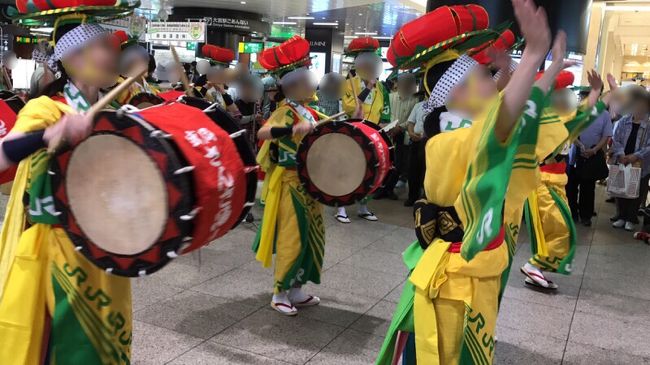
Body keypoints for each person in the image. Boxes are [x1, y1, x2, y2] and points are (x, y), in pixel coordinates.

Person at [376, 1, 561, 363]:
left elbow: (500, 108)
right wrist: (534, 55)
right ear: (457, 94)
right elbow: (501, 121)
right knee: (447, 354)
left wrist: (537, 68)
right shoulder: (448, 142)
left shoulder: (463, 127)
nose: (492, 83)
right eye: (482, 78)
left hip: (475, 268)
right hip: (454, 278)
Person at [0, 3, 135, 363]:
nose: (113, 54)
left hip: (104, 246)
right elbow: (1, 156)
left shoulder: (117, 110)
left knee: (103, 346)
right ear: (73, 57)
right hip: (57, 252)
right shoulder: (46, 108)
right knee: (62, 347)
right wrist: (50, 134)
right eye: (103, 46)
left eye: (111, 46)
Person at [253, 36, 325, 316]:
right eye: (306, 80)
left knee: (311, 237)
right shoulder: (286, 112)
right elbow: (262, 133)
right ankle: (280, 291)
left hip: (310, 184)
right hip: (291, 184)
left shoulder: (307, 110)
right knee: (292, 238)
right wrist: (289, 131)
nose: (311, 85)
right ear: (292, 85)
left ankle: (297, 288)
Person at [521, 70, 605, 290]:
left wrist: (598, 92)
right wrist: (597, 92)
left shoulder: (557, 118)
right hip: (541, 181)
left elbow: (583, 113)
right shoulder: (542, 119)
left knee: (559, 227)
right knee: (559, 227)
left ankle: (536, 267)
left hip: (557, 180)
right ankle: (534, 265)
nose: (568, 96)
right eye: (563, 92)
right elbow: (582, 113)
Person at [341, 36, 391, 221]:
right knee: (348, 170)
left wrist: (385, 127)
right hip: (352, 134)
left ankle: (363, 206)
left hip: (372, 135)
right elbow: (351, 109)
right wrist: (368, 88)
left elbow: (385, 111)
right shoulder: (348, 84)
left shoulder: (381, 88)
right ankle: (342, 208)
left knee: (369, 170)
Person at [611, 88, 650, 231]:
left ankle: (631, 219)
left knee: (636, 191)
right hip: (623, 160)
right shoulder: (624, 121)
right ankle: (621, 216)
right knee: (621, 188)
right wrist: (621, 154)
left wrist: (635, 156)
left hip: (641, 163)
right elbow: (616, 139)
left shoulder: (648, 124)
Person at [567, 108, 612, 226]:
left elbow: (606, 135)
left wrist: (594, 150)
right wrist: (580, 145)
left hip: (593, 154)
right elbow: (570, 131)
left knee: (588, 187)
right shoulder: (575, 111)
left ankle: (586, 215)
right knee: (571, 186)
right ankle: (572, 213)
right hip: (575, 154)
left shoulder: (604, 114)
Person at [381, 73, 419, 200]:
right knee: (385, 160)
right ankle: (383, 189)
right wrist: (387, 126)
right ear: (397, 84)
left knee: (400, 163)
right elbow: (384, 112)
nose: (406, 86)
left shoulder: (416, 100)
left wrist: (399, 127)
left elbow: (412, 119)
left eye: (409, 83)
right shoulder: (389, 97)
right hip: (387, 133)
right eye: (403, 83)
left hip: (404, 135)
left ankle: (389, 188)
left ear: (413, 85)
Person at [404, 89, 427, 207]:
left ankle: (425, 198)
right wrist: (411, 133)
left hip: (430, 144)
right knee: (413, 171)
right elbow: (410, 122)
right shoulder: (419, 105)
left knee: (427, 172)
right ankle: (412, 197)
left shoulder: (442, 106)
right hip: (416, 142)